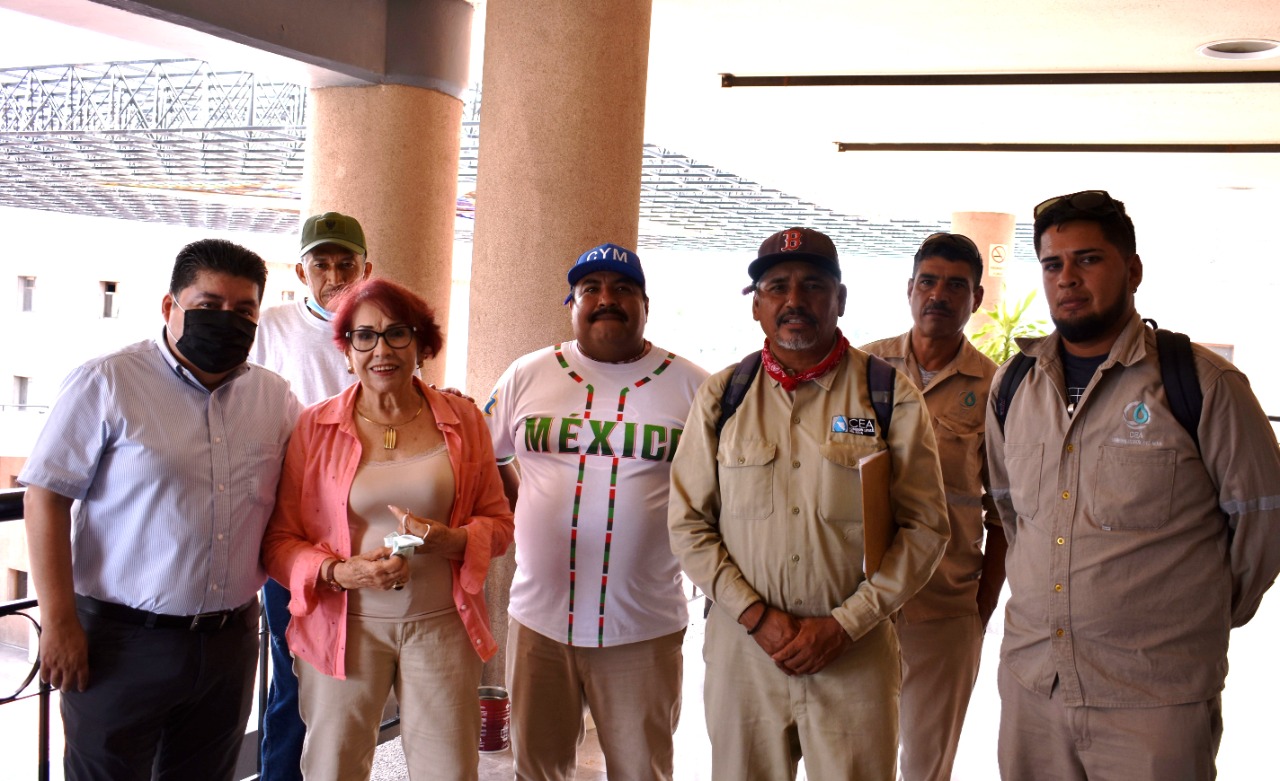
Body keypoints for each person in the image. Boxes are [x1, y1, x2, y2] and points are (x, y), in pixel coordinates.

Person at [986, 190, 1280, 781]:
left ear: (1133, 270)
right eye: (1052, 263)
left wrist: (1199, 617)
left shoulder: (1202, 384)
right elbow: (1014, 513)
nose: (1067, 278)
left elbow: (1263, 522)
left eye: (1088, 259)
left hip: (1154, 699)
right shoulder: (1015, 385)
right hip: (1033, 690)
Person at [668, 226, 950, 781]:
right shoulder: (723, 397)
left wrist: (846, 624)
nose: (794, 300)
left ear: (839, 299)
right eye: (777, 287)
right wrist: (756, 617)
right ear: (756, 306)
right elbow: (688, 523)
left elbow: (926, 529)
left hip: (854, 656)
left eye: (813, 286)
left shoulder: (889, 395)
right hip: (744, 655)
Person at [20, 238, 301, 780]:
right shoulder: (107, 381)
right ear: (170, 306)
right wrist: (58, 621)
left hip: (229, 642)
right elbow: (45, 497)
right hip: (119, 643)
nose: (227, 320)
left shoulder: (275, 399)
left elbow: (325, 466)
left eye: (243, 310)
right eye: (208, 305)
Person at [262, 277, 513, 781]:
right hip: (344, 627)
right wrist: (339, 572)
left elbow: (500, 523)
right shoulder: (314, 427)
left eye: (398, 333)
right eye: (365, 336)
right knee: (332, 767)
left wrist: (452, 540)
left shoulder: (464, 420)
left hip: (442, 626)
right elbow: (278, 544)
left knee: (448, 771)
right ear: (347, 351)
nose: (382, 349)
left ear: (422, 345)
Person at [483, 242, 707, 781]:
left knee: (641, 772)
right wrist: (519, 507)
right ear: (572, 305)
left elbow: (722, 494)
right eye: (591, 289)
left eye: (623, 288)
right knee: (537, 771)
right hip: (540, 620)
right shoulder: (527, 373)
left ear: (645, 305)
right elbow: (483, 456)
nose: (607, 299)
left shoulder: (694, 386)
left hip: (644, 626)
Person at [861, 231, 1005, 781]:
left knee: (926, 766)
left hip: (943, 609)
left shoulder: (996, 390)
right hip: (857, 604)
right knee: (851, 761)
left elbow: (1004, 513)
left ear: (977, 299)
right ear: (910, 288)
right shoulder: (862, 369)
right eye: (928, 282)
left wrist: (979, 612)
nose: (938, 295)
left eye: (956, 286)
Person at [249, 210, 372, 781]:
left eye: (346, 263)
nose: (334, 275)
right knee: (294, 674)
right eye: (321, 264)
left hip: (365, 533)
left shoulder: (379, 328)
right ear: (302, 272)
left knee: (354, 677)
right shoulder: (269, 328)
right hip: (293, 535)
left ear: (365, 268)